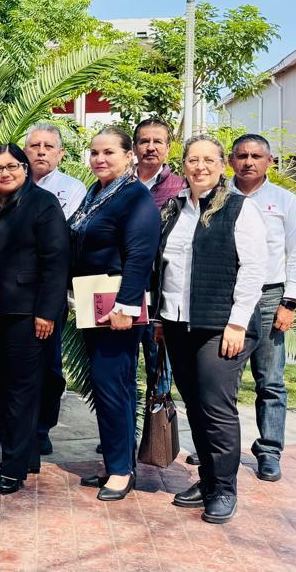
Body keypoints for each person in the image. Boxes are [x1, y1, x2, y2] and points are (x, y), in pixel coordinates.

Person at [151, 135, 267, 524]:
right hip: (177, 322)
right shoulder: (173, 208)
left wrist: (237, 322)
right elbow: (163, 267)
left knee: (215, 407)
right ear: (183, 165)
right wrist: (160, 318)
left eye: (208, 160)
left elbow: (253, 269)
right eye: (193, 160)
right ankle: (207, 479)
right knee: (195, 404)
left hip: (222, 325)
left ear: (222, 166)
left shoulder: (239, 208)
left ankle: (224, 488)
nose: (200, 167)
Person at [0, 143, 69, 494]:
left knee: (22, 389)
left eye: (12, 166)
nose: (4, 173)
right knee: (5, 384)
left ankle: (13, 466)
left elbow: (56, 262)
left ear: (25, 168)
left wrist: (47, 312)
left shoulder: (42, 203)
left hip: (28, 312)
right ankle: (27, 456)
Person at [69, 126, 160, 500]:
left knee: (114, 386)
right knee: (107, 385)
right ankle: (115, 462)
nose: (100, 159)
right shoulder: (96, 193)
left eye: (108, 152)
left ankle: (122, 471)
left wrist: (125, 308)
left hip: (117, 311)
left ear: (128, 156)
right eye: (95, 152)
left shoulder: (135, 197)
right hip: (93, 306)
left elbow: (139, 257)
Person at [228, 133, 296, 482]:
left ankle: (269, 450)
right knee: (223, 379)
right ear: (231, 160)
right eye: (242, 155)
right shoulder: (220, 196)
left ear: (270, 162)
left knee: (270, 380)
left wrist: (289, 302)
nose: (248, 162)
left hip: (269, 297)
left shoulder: (284, 201)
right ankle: (220, 447)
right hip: (228, 298)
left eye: (256, 156)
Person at [17, 122, 88, 455]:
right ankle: (5, 421)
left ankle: (42, 427)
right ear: (24, 152)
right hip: (12, 290)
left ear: (60, 153)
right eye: (35, 146)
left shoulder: (72, 189)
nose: (41, 151)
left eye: (48, 146)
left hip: (48, 288)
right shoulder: (11, 182)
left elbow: (64, 237)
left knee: (48, 362)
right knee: (6, 360)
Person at [133, 118, 184, 400]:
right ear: (134, 147)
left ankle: (157, 428)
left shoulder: (180, 188)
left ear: (168, 147)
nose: (150, 147)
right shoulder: (118, 184)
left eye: (157, 141)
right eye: (144, 141)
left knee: (159, 370)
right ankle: (124, 428)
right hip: (123, 289)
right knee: (121, 368)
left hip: (161, 294)